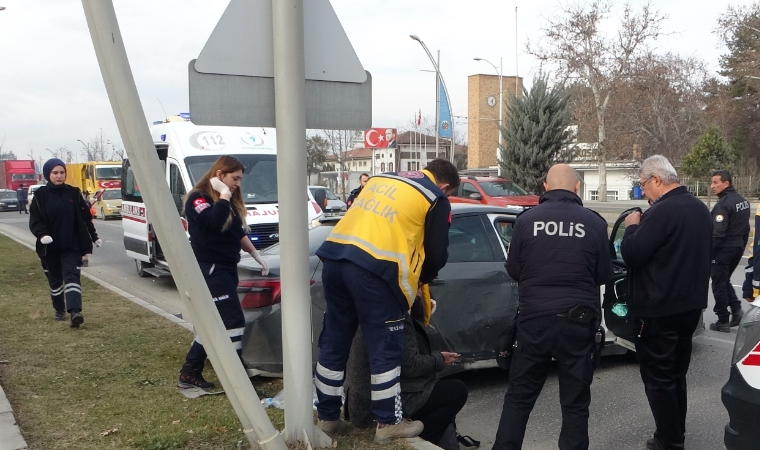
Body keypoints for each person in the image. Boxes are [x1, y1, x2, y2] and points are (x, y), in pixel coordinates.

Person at [314, 159, 459, 443]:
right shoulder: (435, 197)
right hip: (375, 271)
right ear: (445, 186)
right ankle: (388, 423)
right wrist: (420, 281)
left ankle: (327, 418)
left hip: (335, 257)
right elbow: (437, 254)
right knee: (385, 346)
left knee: (334, 340)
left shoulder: (383, 179)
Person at [492, 164, 612, 450]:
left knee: (520, 397)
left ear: (545, 187)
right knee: (574, 403)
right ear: (577, 188)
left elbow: (514, 270)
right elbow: (604, 275)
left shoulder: (526, 220)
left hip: (534, 322)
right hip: (577, 323)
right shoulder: (594, 223)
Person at [620, 155, 712, 450]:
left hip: (658, 309)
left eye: (643, 185)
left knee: (658, 380)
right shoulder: (699, 208)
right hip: (689, 307)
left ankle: (669, 441)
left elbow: (633, 254)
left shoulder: (661, 212)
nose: (642, 191)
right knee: (675, 375)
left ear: (657, 180)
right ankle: (675, 434)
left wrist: (633, 226)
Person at [177, 156, 269, 390]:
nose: (238, 183)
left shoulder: (224, 200)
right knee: (233, 320)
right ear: (219, 175)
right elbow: (214, 222)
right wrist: (224, 195)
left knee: (215, 322)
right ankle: (237, 378)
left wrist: (257, 254)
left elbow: (236, 232)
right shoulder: (199, 198)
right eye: (234, 178)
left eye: (240, 179)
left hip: (226, 267)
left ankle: (190, 372)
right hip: (210, 267)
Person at [344, 296, 471, 450]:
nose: (422, 291)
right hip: (374, 409)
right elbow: (410, 366)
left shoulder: (371, 304)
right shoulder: (396, 315)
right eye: (420, 286)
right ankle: (422, 440)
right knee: (456, 391)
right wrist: (440, 360)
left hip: (358, 403)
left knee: (437, 386)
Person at [29, 158, 101, 327]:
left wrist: (94, 236)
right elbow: (35, 221)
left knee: (72, 277)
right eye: (55, 173)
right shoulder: (40, 196)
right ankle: (59, 309)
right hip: (50, 247)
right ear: (48, 174)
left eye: (62, 172)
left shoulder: (73, 193)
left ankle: (75, 312)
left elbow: (85, 218)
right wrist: (42, 235)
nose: (59, 176)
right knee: (55, 281)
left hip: (71, 245)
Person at [708, 170, 750, 332]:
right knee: (724, 280)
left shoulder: (723, 204)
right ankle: (736, 310)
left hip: (723, 249)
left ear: (726, 183)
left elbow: (717, 234)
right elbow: (746, 229)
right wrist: (741, 246)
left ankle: (722, 319)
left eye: (715, 182)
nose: (712, 186)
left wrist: (709, 253)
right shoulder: (742, 202)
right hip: (737, 247)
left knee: (718, 282)